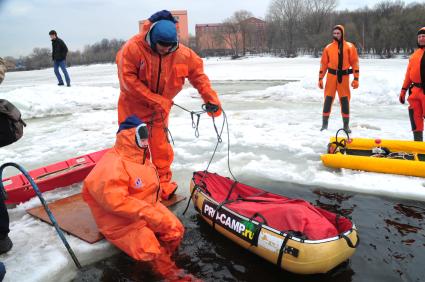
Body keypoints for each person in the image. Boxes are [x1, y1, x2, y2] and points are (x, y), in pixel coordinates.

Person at [116, 10, 222, 200]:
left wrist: (210, 99)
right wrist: (157, 100)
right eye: (161, 46)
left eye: (169, 46)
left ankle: (163, 184)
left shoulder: (183, 54)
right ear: (151, 38)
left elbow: (198, 76)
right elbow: (127, 82)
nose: (165, 50)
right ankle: (137, 187)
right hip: (132, 109)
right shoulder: (132, 49)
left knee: (161, 148)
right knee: (133, 150)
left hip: (159, 112)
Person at [82, 115, 189, 280]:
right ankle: (174, 276)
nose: (146, 141)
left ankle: (169, 258)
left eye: (146, 136)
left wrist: (153, 210)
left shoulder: (142, 160)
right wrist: (149, 213)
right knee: (149, 249)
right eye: (142, 136)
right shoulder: (112, 165)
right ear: (130, 137)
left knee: (175, 229)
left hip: (145, 209)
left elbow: (149, 190)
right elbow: (115, 201)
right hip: (120, 222)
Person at [318, 25, 360, 133]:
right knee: (328, 100)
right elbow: (323, 64)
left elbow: (355, 63)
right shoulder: (328, 48)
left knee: (345, 101)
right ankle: (324, 125)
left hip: (344, 78)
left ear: (342, 33)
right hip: (331, 77)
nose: (336, 35)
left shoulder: (350, 47)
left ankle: (346, 126)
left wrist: (356, 78)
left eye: (338, 33)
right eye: (334, 33)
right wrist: (320, 78)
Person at [399, 27, 425, 141]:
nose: (421, 38)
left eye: (424, 36)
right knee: (416, 121)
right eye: (419, 37)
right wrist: (403, 91)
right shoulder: (414, 55)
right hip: (414, 92)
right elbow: (408, 75)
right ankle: (418, 148)